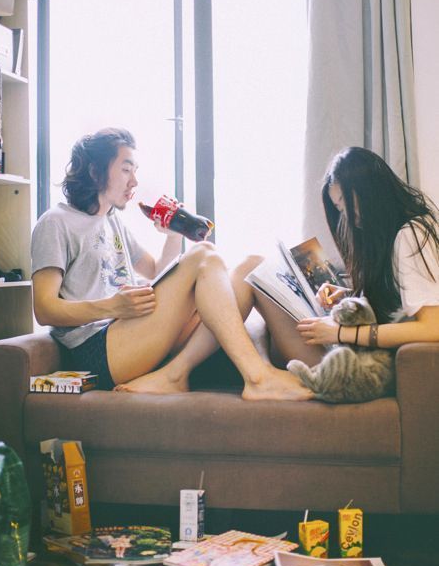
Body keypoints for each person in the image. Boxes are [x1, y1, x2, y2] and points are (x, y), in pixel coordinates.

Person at [31, 127, 313, 401]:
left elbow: (156, 272)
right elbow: (44, 309)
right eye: (126, 170)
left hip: (129, 331)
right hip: (97, 350)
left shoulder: (112, 221)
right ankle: (258, 378)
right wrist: (112, 306)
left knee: (251, 267)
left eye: (135, 171)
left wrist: (172, 236)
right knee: (204, 253)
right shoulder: (56, 222)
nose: (134, 182)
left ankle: (176, 374)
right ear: (95, 172)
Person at [226, 146, 439, 376]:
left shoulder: (412, 234)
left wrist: (340, 333)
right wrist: (347, 296)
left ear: (371, 191)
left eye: (347, 203)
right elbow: (397, 306)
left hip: (361, 364)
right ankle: (260, 374)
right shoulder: (395, 233)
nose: (348, 217)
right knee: (253, 270)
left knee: (251, 268)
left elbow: (433, 327)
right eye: (340, 209)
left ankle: (251, 376)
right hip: (353, 351)